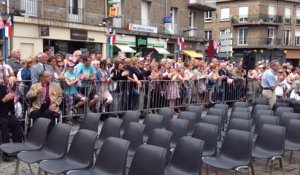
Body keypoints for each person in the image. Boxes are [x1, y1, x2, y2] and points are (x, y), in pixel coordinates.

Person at [0, 76, 23, 147]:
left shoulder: (3, 88)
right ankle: (5, 150)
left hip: (4, 114)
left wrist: (11, 98)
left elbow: (9, 104)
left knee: (15, 121)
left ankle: (18, 147)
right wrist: (3, 100)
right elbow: (4, 100)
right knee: (4, 122)